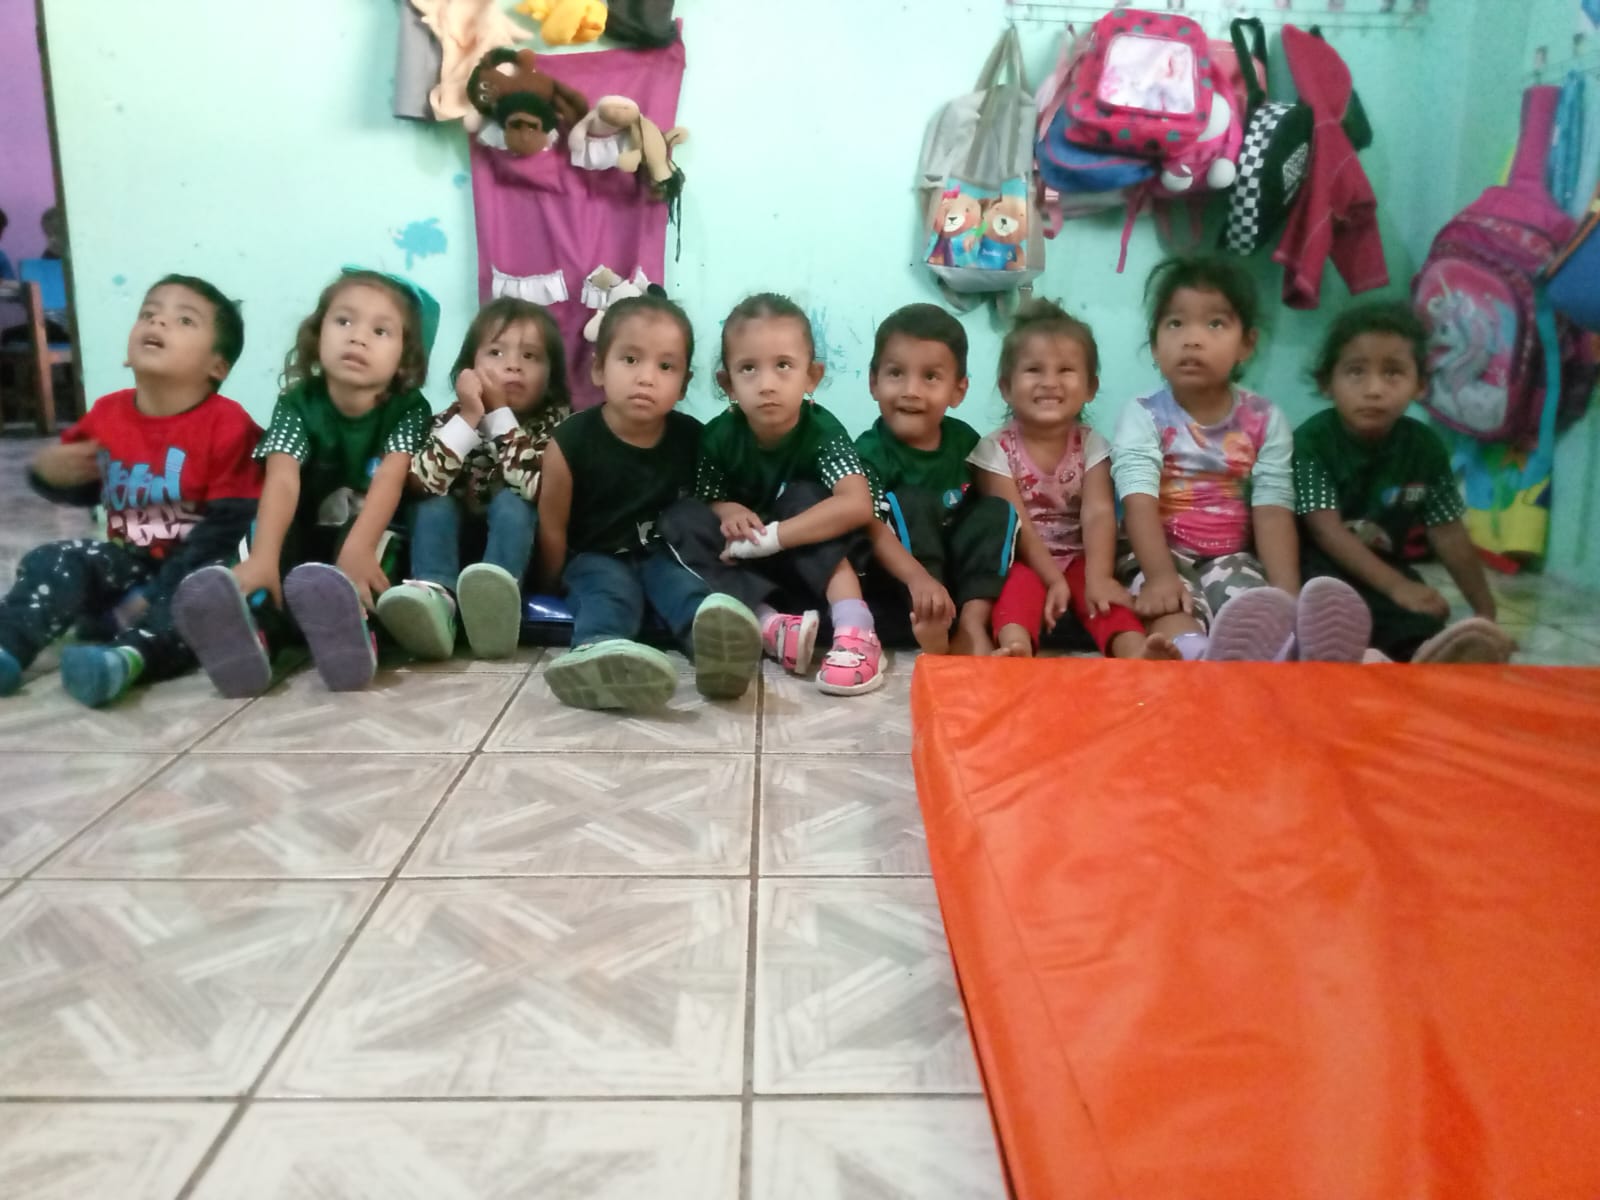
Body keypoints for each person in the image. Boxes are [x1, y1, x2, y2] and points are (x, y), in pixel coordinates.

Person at [174, 267, 436, 695]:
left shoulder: (409, 408)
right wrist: (264, 557)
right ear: (317, 334)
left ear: (405, 357)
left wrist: (357, 549)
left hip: (368, 529)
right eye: (344, 321)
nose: (358, 337)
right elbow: (282, 480)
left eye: (380, 331)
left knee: (381, 546)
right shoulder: (298, 402)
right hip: (306, 529)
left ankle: (354, 633)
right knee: (262, 532)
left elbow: (391, 477)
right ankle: (254, 630)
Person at [0, 274, 259, 706]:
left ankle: (124, 661)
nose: (158, 322)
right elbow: (86, 488)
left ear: (217, 366)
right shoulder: (108, 413)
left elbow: (227, 527)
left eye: (184, 320)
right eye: (149, 314)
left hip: (195, 567)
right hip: (128, 565)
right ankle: (9, 645)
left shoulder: (229, 425)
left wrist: (154, 597)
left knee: (205, 599)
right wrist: (46, 473)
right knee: (56, 557)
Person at [536, 293, 763, 711]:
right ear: (599, 368)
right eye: (630, 360)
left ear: (684, 384)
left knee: (687, 589)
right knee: (610, 594)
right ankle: (596, 654)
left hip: (663, 555)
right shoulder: (570, 441)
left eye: (665, 367)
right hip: (595, 556)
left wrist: (727, 509)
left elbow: (708, 498)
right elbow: (552, 525)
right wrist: (551, 583)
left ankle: (717, 658)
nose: (646, 378)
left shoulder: (693, 438)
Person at [658, 294, 884, 695]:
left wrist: (772, 538)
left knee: (807, 496)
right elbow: (708, 500)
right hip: (743, 569)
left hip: (807, 564)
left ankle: (855, 631)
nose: (766, 385)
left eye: (783, 366)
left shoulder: (823, 432)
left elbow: (857, 504)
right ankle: (769, 627)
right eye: (748, 368)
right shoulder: (717, 437)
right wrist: (728, 510)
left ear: (811, 376)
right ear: (727, 383)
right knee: (680, 517)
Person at [1294, 301, 1513, 663]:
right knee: (1331, 601)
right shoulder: (1312, 442)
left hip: (1383, 564)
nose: (1374, 389)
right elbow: (1325, 531)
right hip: (1319, 565)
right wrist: (1396, 586)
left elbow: (1448, 532)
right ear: (1327, 382)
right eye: (1356, 372)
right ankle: (1347, 655)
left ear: (1420, 385)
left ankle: (1424, 653)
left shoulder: (1424, 447)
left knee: (1420, 615)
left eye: (1393, 373)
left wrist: (1485, 613)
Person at [1111, 255, 1304, 661]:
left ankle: (1286, 647)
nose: (1192, 339)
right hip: (1158, 553)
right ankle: (1191, 653)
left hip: (1231, 555)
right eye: (1175, 323)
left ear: (1246, 344)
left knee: (1256, 606)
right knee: (1168, 608)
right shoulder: (1144, 413)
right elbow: (1138, 502)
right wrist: (1160, 577)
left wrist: (1288, 596)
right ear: (1155, 344)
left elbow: (1272, 511)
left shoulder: (1264, 419)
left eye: (1215, 324)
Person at [972, 300, 1178, 660]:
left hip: (1081, 556)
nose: (1049, 382)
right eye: (1033, 370)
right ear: (1006, 387)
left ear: (1090, 387)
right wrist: (1052, 579)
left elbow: (1098, 513)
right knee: (1014, 589)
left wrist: (1099, 577)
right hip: (1025, 557)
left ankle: (1136, 652)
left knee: (1105, 600)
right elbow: (1017, 526)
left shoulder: (1092, 445)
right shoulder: (994, 450)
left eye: (1065, 370)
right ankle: (1015, 650)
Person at [379, 297, 570, 660]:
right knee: (433, 503)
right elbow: (421, 482)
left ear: (550, 378)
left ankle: (494, 606)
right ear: (467, 371)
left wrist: (499, 415)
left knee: (513, 502)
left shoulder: (558, 427)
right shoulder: (450, 418)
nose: (513, 365)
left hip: (515, 560)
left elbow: (537, 489)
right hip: (451, 551)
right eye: (496, 353)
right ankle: (435, 600)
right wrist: (469, 416)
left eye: (530, 356)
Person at [854, 303, 1018, 656]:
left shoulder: (965, 441)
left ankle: (972, 625)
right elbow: (869, 527)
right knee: (909, 500)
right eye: (896, 373)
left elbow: (989, 523)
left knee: (996, 508)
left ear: (958, 391)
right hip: (905, 581)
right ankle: (933, 624)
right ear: (873, 382)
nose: (911, 390)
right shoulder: (869, 451)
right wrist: (918, 579)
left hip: (957, 574)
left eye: (930, 377)